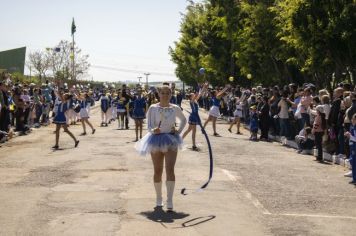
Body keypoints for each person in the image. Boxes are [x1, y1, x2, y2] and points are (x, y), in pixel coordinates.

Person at [135, 84, 187, 211]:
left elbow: (184, 120)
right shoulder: (153, 108)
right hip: (156, 140)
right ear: (159, 94)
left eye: (167, 93)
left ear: (171, 94)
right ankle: (159, 198)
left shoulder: (175, 108)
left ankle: (170, 200)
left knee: (170, 169)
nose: (165, 95)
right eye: (162, 93)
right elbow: (149, 126)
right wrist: (154, 130)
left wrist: (178, 131)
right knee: (157, 171)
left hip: (171, 140)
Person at [182, 83, 207, 150]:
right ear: (191, 97)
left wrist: (204, 87)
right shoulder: (192, 101)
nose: (194, 95)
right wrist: (198, 86)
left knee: (189, 130)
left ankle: (180, 140)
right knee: (193, 131)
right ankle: (193, 145)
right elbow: (197, 94)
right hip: (193, 116)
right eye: (193, 95)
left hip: (195, 116)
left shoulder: (195, 100)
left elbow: (200, 94)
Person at [345, 114, 356, 184]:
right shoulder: (353, 127)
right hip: (352, 147)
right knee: (352, 161)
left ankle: (355, 179)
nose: (352, 120)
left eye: (353, 119)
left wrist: (350, 136)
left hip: (355, 147)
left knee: (354, 163)